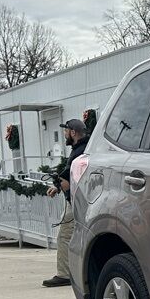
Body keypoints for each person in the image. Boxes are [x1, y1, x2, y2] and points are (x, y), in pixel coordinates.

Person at [42, 119, 89, 288]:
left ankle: (64, 275)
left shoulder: (80, 152)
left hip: (77, 201)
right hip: (81, 200)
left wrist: (59, 185)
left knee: (65, 236)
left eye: (66, 131)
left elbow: (72, 177)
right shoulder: (82, 149)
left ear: (73, 133)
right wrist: (58, 185)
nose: (64, 134)